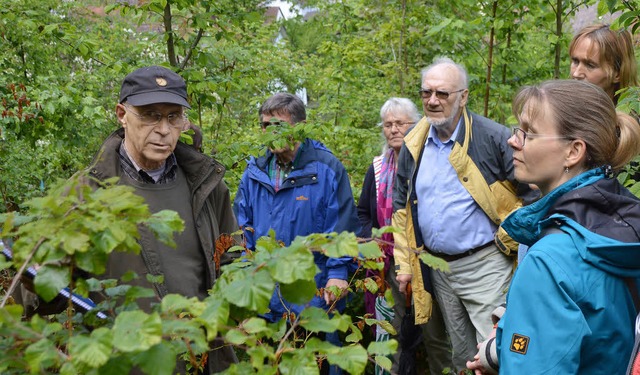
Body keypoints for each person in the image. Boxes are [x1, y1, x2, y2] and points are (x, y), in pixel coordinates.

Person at [17, 65, 239, 373]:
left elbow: (234, 264)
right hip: (121, 362)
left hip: (202, 360)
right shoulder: (85, 192)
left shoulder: (207, 186)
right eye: (150, 115)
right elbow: (43, 300)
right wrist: (37, 280)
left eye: (174, 116)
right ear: (122, 114)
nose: (163, 129)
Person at [466, 79, 640, 374]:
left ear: (573, 151)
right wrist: (504, 348)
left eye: (529, 133)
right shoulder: (621, 225)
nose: (513, 141)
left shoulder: (549, 259)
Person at [392, 57, 527, 373]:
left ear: (463, 97)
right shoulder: (414, 143)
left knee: (495, 350)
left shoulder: (493, 137)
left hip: (486, 265)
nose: (433, 101)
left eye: (442, 94)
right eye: (426, 93)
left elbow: (533, 192)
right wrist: (404, 264)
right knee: (461, 355)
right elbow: (401, 208)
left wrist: (511, 238)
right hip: (438, 269)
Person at [233, 92, 361, 373]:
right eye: (266, 126)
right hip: (264, 286)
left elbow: (342, 227)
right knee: (268, 362)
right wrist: (244, 277)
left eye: (279, 125)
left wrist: (338, 275)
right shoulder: (254, 171)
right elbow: (242, 228)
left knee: (317, 361)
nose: (271, 133)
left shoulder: (326, 168)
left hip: (311, 287)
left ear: (300, 126)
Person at [357, 97, 453, 374]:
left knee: (436, 334)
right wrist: (373, 239)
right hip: (387, 261)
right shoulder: (377, 169)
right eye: (388, 124)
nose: (394, 129)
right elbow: (363, 211)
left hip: (429, 259)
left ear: (416, 126)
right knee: (388, 331)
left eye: (400, 123)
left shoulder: (431, 163)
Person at [570, 24, 638, 106]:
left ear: (618, 73)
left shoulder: (634, 114)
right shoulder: (559, 111)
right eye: (575, 61)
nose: (576, 74)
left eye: (590, 65)